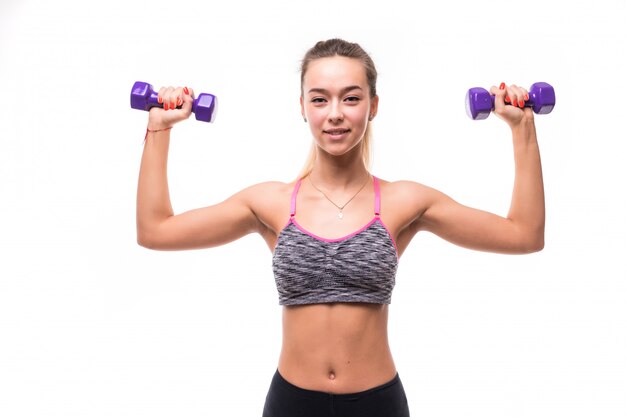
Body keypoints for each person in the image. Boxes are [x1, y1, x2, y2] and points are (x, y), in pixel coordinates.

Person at [136, 38, 545, 417]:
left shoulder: (406, 202)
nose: (335, 113)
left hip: (378, 403)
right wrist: (159, 127)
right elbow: (155, 230)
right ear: (302, 106)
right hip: (291, 402)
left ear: (373, 105)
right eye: (320, 99)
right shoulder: (270, 203)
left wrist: (522, 126)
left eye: (351, 98)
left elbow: (523, 234)